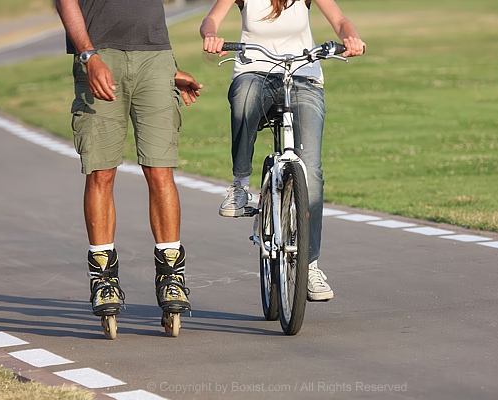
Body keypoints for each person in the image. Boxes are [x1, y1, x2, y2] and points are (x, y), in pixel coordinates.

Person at [200, 0, 365, 301]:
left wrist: (351, 37)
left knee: (311, 172)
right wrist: (211, 36)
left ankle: (310, 265)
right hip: (254, 74)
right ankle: (239, 185)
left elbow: (340, 21)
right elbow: (210, 21)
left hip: (302, 76)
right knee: (244, 102)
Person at [56, 0, 203, 325]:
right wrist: (88, 56)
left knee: (160, 169)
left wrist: (168, 66)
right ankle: (103, 278)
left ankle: (171, 276)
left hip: (156, 58)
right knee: (101, 172)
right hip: (98, 56)